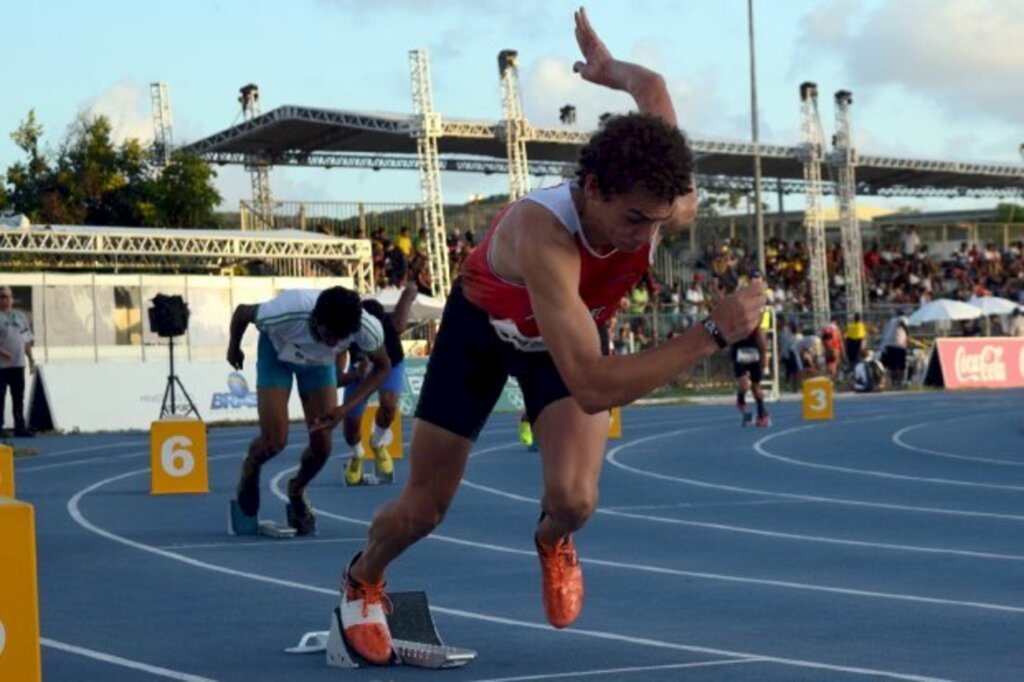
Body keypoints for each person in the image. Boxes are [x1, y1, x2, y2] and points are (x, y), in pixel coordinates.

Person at [333, 8, 766, 665]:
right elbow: (591, 388)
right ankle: (363, 576)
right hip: (481, 333)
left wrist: (607, 70)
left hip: (569, 334)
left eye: (659, 223)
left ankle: (552, 538)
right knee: (424, 509)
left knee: (575, 500)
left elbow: (651, 90)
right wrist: (710, 333)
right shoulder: (543, 237)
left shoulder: (665, 197)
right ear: (591, 189)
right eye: (632, 221)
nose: (646, 238)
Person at [226, 286, 391, 535]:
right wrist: (233, 347)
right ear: (316, 318)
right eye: (329, 333)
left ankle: (297, 488)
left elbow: (382, 367)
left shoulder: (364, 326)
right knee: (274, 442)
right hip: (277, 355)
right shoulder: (286, 311)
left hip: (318, 364)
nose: (334, 341)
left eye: (341, 337)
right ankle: (251, 465)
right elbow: (241, 313)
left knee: (323, 445)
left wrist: (344, 408)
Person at [340, 282, 418, 485]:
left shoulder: (395, 324)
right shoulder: (347, 333)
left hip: (391, 364)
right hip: (361, 371)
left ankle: (377, 444)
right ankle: (357, 454)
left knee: (389, 403)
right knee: (350, 428)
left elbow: (406, 298)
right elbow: (337, 375)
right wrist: (352, 377)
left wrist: (410, 290)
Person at [730, 272, 770, 427]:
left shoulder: (763, 306)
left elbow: (762, 338)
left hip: (753, 346)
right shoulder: (740, 298)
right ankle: (741, 397)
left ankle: (762, 413)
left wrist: (765, 364)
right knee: (743, 383)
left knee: (755, 386)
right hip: (739, 345)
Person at [0, 286, 35, 438]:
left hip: (18, 364)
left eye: (8, 297)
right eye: (2, 297)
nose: (5, 300)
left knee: (18, 397)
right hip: (1, 365)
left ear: (12, 298)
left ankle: (19, 427)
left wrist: (31, 359)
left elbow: (26, 339)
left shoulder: (21, 317)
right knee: (0, 397)